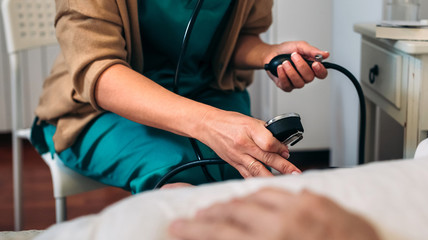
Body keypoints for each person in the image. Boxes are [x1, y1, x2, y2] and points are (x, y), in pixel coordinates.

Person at [30, 0, 330, 193]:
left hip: (206, 91)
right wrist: (211, 125)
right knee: (178, 175)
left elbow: (237, 36)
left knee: (248, 176)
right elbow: (100, 70)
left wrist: (268, 54)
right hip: (102, 108)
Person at [167, 188, 382, 240]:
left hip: (220, 92)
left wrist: (270, 70)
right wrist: (207, 122)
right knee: (175, 187)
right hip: (145, 114)